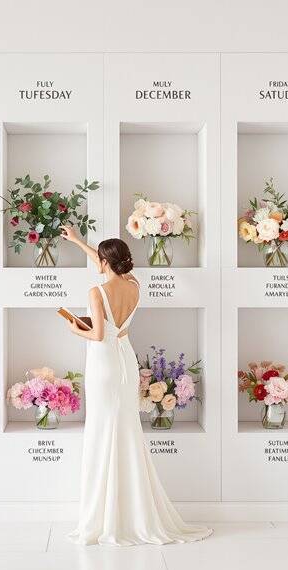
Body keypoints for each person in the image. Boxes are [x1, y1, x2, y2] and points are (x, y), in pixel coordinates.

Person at [59, 226, 213, 546]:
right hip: (125, 361)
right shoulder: (134, 285)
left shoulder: (95, 292)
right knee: (124, 428)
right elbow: (105, 265)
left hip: (103, 364)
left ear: (104, 262)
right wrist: (77, 242)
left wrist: (74, 328)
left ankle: (105, 516)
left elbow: (97, 335)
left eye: (100, 260)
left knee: (102, 430)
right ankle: (131, 511)